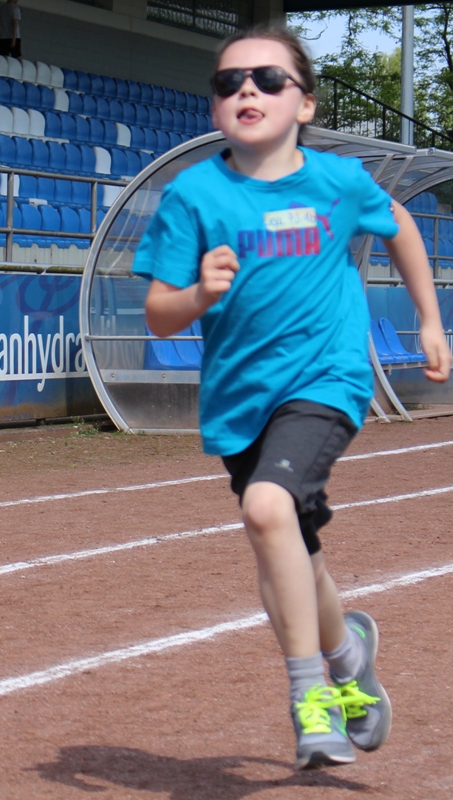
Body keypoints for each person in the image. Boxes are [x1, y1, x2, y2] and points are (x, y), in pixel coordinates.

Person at [133, 24, 452, 770]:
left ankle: (311, 696)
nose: (247, 89)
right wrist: (198, 293)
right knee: (290, 546)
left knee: (267, 509)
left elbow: (400, 224)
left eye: (268, 79)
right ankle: (349, 653)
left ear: (304, 103)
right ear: (216, 106)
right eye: (230, 82)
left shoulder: (337, 182)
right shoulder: (193, 196)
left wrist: (430, 319)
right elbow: (158, 313)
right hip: (238, 400)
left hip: (325, 381)